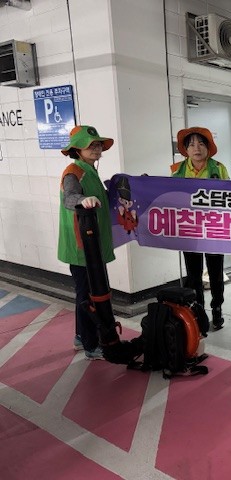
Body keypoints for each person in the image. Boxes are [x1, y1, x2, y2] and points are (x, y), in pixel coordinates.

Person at [58, 125, 115, 360]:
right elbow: (69, 198)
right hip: (82, 245)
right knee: (89, 295)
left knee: (85, 293)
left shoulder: (90, 171)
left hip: (92, 244)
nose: (97, 149)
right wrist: (83, 199)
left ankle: (81, 337)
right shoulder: (74, 171)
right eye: (91, 145)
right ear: (77, 149)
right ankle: (91, 346)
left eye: (98, 145)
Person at [171, 127, 229, 331]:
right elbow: (168, 197)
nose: (197, 148)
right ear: (186, 150)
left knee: (216, 272)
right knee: (193, 274)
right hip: (189, 230)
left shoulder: (219, 168)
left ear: (208, 147)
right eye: (192, 144)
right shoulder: (177, 170)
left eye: (201, 143)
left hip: (214, 230)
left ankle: (217, 308)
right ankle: (198, 310)